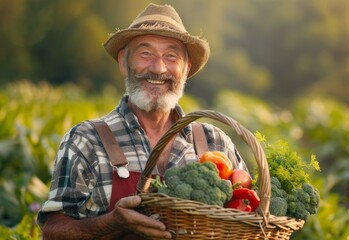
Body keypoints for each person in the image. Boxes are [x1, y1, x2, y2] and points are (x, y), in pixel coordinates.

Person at [37, 3, 248, 239]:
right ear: (123, 62)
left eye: (171, 56)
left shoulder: (215, 142)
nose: (158, 68)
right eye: (145, 53)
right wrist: (112, 223)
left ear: (186, 68)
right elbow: (52, 231)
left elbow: (249, 215)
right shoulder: (86, 140)